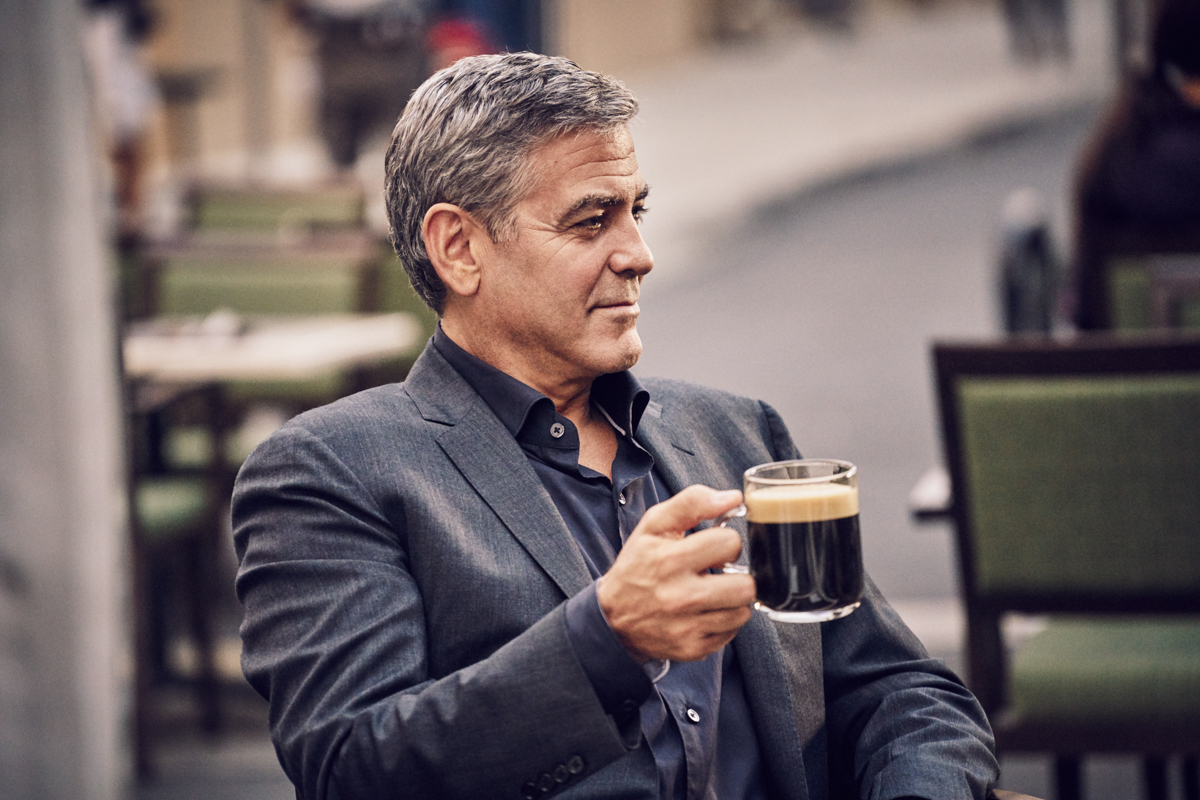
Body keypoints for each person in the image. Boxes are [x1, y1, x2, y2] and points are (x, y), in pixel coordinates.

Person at [233, 52, 1000, 800]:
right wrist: (605, 640)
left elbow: (901, 691)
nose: (640, 254)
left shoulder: (735, 431)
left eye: (636, 212)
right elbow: (350, 767)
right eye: (591, 221)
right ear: (459, 248)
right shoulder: (330, 473)